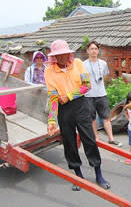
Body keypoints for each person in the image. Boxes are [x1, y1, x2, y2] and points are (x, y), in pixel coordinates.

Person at [44, 39, 110, 190]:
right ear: (54, 56)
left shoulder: (78, 64)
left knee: (89, 140)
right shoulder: (49, 71)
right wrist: (52, 120)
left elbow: (87, 86)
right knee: (69, 143)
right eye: (59, 55)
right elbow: (53, 97)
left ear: (69, 53)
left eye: (65, 53)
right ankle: (78, 176)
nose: (63, 57)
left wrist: (69, 95)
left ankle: (98, 173)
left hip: (81, 105)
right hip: (63, 110)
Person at [83, 40, 121, 146]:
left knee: (106, 117)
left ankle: (111, 138)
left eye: (95, 49)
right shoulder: (83, 65)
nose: (94, 51)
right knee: (92, 118)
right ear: (88, 51)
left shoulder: (103, 63)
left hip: (101, 94)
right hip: (88, 95)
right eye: (91, 49)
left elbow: (104, 77)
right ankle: (96, 138)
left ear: (98, 51)